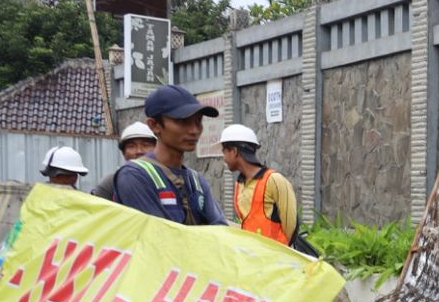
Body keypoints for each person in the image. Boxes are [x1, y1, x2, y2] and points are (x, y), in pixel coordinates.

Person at [113, 84, 228, 225]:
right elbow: (159, 238)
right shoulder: (133, 176)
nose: (194, 130)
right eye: (182, 121)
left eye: (198, 121)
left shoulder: (196, 181)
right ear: (154, 125)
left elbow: (220, 229)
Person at [220, 124, 303, 248]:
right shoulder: (239, 184)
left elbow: (290, 227)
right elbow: (247, 225)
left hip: (275, 260)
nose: (224, 158)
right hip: (252, 258)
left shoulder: (274, 180)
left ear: (234, 151)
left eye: (224, 152)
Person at [91, 121, 157, 201]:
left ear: (157, 149)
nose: (139, 151)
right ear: (123, 153)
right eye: (131, 146)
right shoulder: (110, 183)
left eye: (145, 145)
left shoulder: (168, 179)